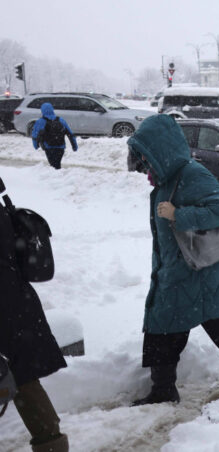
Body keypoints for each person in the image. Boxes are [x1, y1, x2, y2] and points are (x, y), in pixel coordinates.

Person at [127, 115, 219, 405]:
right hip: (178, 271)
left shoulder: (192, 174)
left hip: (206, 271)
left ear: (160, 149)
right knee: (162, 327)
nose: (142, 161)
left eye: (145, 154)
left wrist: (178, 215)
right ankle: (163, 389)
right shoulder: (166, 178)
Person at [1, 177, 69, 451]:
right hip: (16, 304)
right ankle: (51, 442)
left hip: (8, 307)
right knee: (22, 377)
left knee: (20, 377)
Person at [30, 103, 77, 170]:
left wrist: (36, 145)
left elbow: (35, 135)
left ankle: (56, 178)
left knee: (53, 165)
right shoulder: (60, 120)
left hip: (49, 147)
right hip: (60, 147)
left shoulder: (40, 122)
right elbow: (70, 134)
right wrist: (74, 146)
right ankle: (57, 176)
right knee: (57, 164)